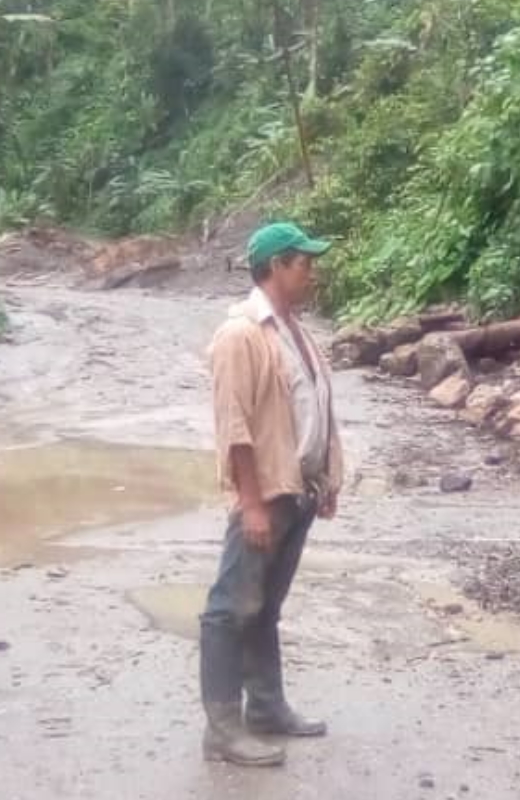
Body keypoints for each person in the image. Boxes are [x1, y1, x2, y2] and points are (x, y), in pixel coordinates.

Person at [198, 222, 344, 767]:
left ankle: (265, 707)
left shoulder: (293, 330)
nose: (312, 270)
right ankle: (222, 728)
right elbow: (233, 426)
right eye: (304, 261)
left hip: (297, 490)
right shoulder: (241, 334)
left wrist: (326, 478)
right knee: (230, 608)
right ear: (276, 266)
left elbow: (316, 408)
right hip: (265, 493)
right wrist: (252, 502)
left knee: (264, 606)